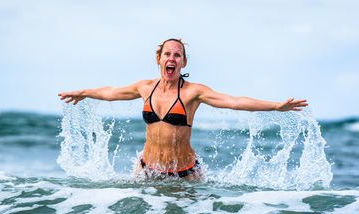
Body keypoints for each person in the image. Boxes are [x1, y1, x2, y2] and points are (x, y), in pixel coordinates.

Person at [58, 38, 307, 180]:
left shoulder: (192, 92)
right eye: (167, 54)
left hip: (185, 173)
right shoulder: (145, 88)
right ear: (159, 59)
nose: (172, 58)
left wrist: (276, 106)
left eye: (177, 55)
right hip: (147, 169)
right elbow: (111, 93)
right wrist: (83, 93)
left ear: (183, 62)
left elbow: (234, 101)